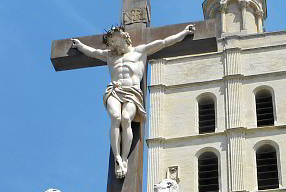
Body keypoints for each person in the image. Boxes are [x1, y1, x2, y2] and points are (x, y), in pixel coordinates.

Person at [71, 24, 195, 178]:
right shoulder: (110, 56)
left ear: (125, 38)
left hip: (133, 93)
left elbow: (164, 42)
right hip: (114, 91)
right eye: (112, 44)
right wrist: (80, 46)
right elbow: (93, 52)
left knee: (126, 119)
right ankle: (117, 157)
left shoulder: (139, 51)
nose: (114, 46)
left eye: (116, 42)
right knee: (115, 117)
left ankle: (124, 158)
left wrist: (183, 33)